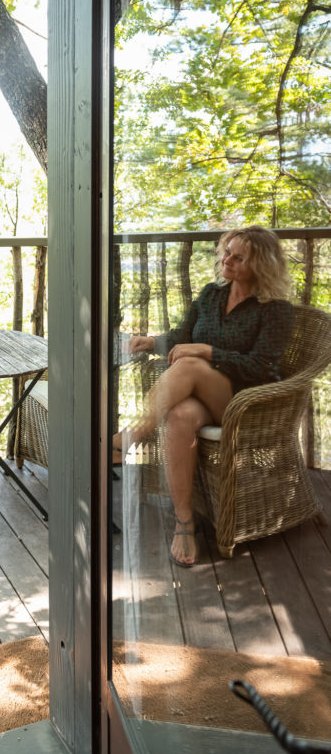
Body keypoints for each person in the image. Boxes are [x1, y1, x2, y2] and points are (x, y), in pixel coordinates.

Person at [113, 226, 294, 568]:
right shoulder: (212, 294)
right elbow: (182, 335)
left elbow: (260, 366)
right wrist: (150, 342)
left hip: (245, 400)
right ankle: (185, 523)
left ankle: (130, 437)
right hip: (201, 396)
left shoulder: (276, 310)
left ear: (262, 265)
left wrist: (206, 351)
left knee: (192, 364)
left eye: (238, 257)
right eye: (227, 251)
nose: (226, 260)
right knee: (179, 415)